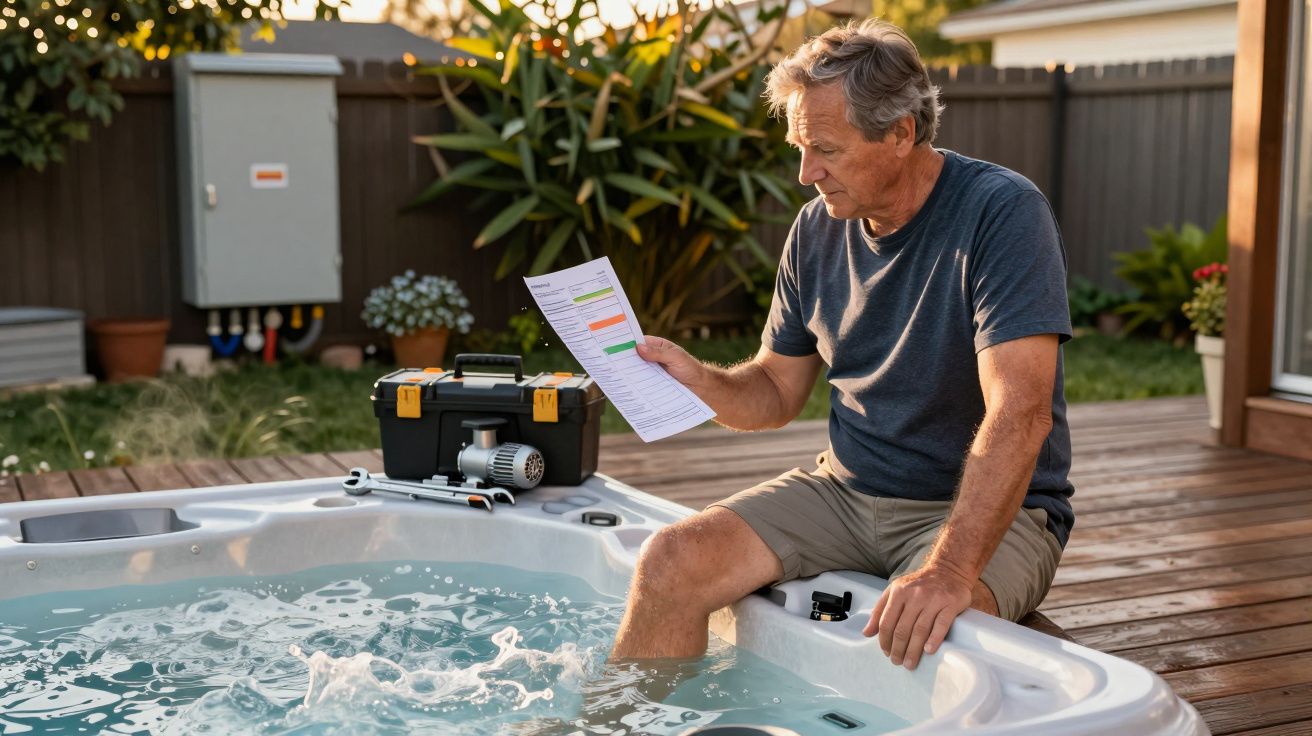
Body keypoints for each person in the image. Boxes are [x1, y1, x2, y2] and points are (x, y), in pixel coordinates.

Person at [611, 19, 1074, 673]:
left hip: (988, 510)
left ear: (901, 133)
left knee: (928, 643)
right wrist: (698, 378)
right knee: (671, 559)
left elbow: (1020, 412)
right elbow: (774, 392)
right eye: (800, 147)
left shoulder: (1001, 213)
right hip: (845, 493)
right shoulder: (816, 230)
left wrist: (947, 571)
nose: (806, 173)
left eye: (825, 148)